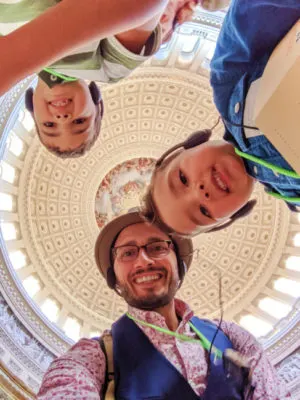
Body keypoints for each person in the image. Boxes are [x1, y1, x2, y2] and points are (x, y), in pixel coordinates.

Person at [37, 211, 289, 399]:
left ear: (179, 264)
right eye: (127, 253)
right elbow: (64, 386)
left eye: (157, 247)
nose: (143, 261)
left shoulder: (232, 336)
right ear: (114, 277)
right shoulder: (97, 354)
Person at [143, 0, 300, 236]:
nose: (201, 192)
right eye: (204, 212)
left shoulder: (228, 80)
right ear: (235, 213)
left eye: (182, 179)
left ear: (189, 146)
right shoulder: (294, 196)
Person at [0, 0, 167, 156]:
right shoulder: (108, 70)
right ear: (97, 104)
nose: (62, 118)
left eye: (49, 125)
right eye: (80, 122)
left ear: (32, 109)